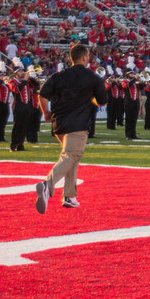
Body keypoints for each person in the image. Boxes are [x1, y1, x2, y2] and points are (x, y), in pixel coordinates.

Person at [34, 44, 108, 213]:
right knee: (71, 155)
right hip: (78, 123)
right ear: (84, 57)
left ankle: (70, 196)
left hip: (59, 122)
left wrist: (46, 112)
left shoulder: (59, 76)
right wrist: (92, 98)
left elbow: (42, 94)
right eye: (88, 56)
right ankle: (48, 186)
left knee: (71, 157)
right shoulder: (93, 77)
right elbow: (102, 101)